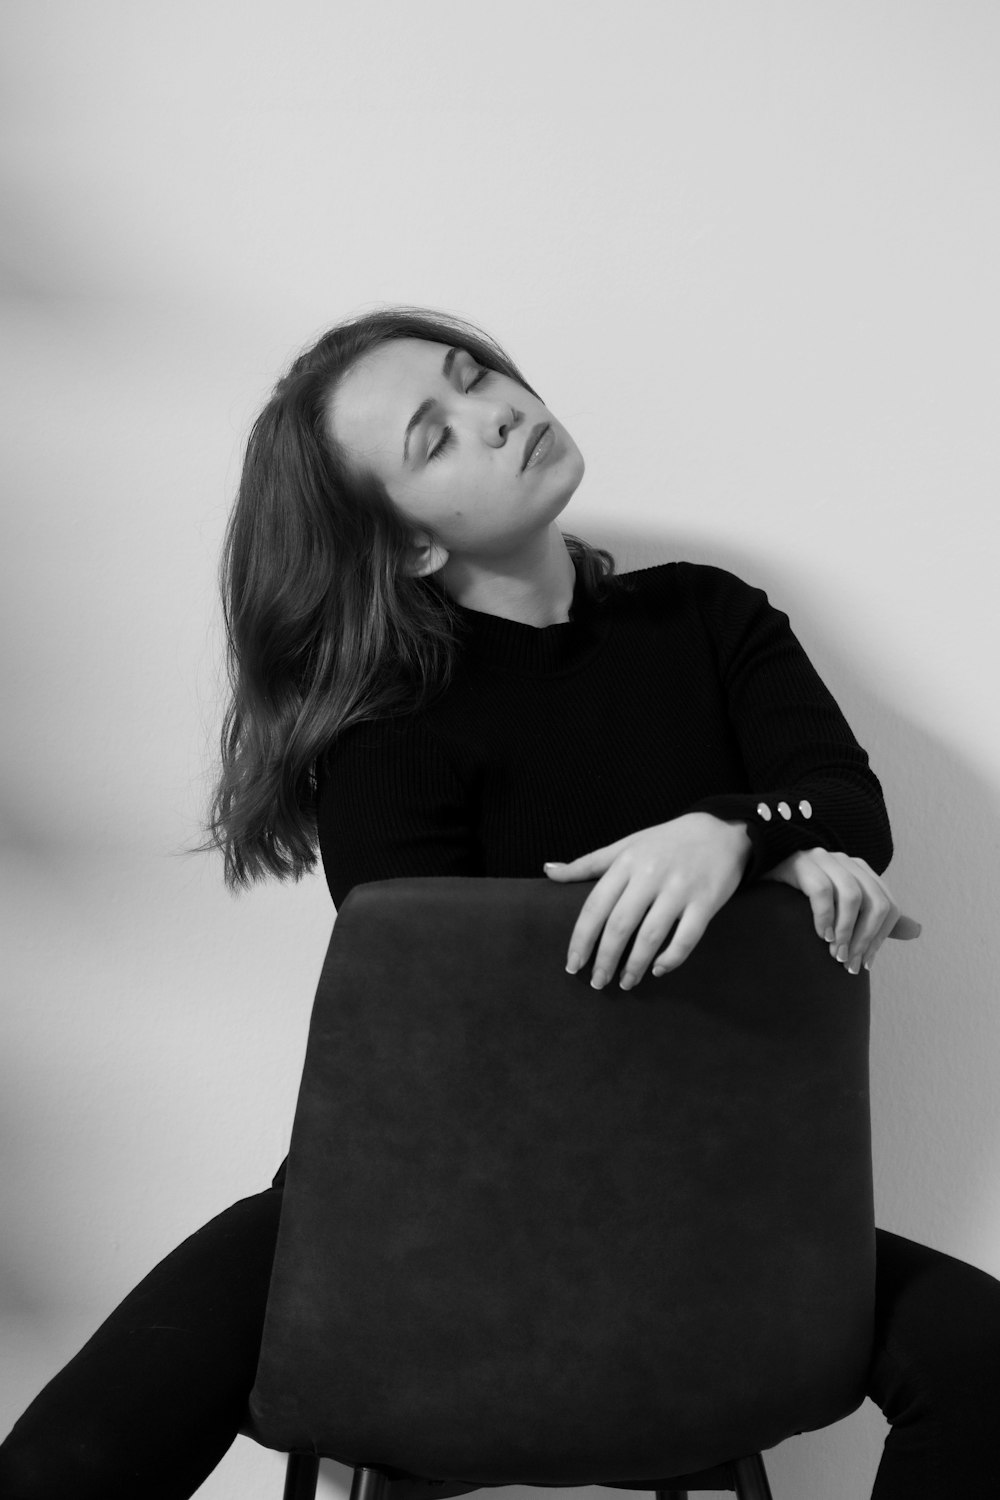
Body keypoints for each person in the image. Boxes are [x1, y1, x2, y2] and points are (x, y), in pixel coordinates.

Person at [1, 307, 997, 1499]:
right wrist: (770, 871)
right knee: (66, 1462)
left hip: (703, 1197)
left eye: (476, 378)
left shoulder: (707, 616)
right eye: (437, 436)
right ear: (413, 545)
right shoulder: (384, 730)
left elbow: (845, 803)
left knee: (985, 1361)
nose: (499, 412)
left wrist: (726, 836)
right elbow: (443, 1021)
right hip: (412, 1208)